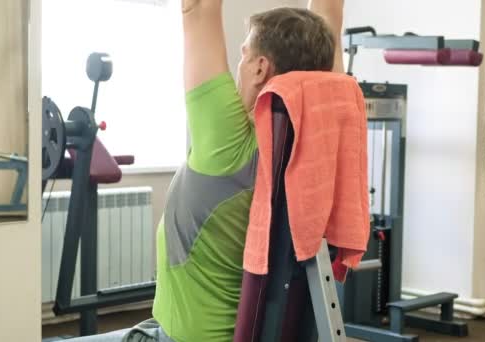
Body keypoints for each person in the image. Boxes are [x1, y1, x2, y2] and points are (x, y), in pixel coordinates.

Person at [72, 1, 345, 341]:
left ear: (260, 69)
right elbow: (329, 18)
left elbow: (197, 9)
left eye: (244, 54)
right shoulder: (318, 145)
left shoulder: (228, 144)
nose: (239, 63)